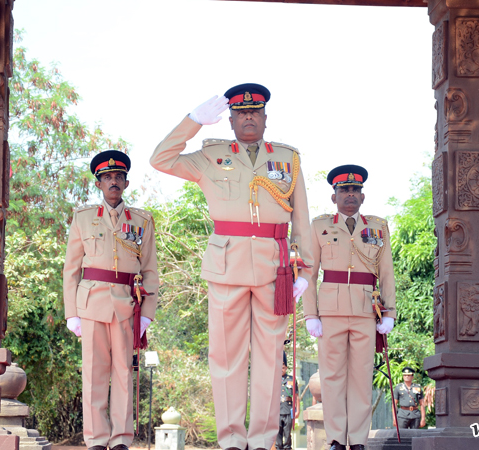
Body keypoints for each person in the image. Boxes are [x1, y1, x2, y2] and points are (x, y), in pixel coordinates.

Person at [150, 83, 313, 450]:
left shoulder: (288, 160)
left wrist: (306, 271)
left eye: (255, 112)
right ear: (231, 120)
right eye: (241, 113)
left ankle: (262, 441)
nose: (249, 117)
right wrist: (193, 121)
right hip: (226, 265)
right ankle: (231, 442)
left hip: (275, 268)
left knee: (271, 359)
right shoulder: (211, 155)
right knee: (226, 358)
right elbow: (160, 158)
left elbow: (301, 220)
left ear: (266, 118)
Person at [63, 150, 159, 450]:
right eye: (107, 178)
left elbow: (151, 270)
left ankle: (120, 439)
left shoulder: (142, 221)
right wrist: (71, 313)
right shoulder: (83, 218)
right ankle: (95, 440)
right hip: (90, 303)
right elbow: (70, 269)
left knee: (123, 374)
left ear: (126, 184)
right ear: (99, 184)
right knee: (93, 374)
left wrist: (148, 314)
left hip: (127, 305)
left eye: (118, 177)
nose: (113, 182)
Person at [303, 165, 396, 450]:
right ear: (334, 197)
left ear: (363, 196)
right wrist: (310, 314)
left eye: (355, 190)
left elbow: (387, 271)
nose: (350, 195)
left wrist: (389, 312)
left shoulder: (378, 226)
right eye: (344, 190)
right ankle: (335, 439)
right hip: (329, 312)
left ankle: (357, 440)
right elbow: (309, 270)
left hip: (367, 311)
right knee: (331, 377)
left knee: (360, 377)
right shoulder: (320, 226)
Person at [277, 352, 298, 450]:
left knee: (287, 434)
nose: (282, 369)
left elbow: (296, 396)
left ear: (286, 368)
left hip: (288, 410)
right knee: (278, 434)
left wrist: (297, 410)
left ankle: (288, 448)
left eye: (283, 367)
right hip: (277, 411)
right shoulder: (275, 379)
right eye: (280, 367)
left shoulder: (292, 379)